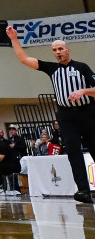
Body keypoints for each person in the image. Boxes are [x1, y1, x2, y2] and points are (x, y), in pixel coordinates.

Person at [7, 25, 95, 203]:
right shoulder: (52, 68)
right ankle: (84, 191)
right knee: (72, 151)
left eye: (60, 48)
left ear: (68, 50)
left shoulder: (82, 67)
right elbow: (24, 59)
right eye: (54, 50)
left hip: (87, 112)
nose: (58, 52)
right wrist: (14, 39)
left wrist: (83, 92)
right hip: (65, 115)